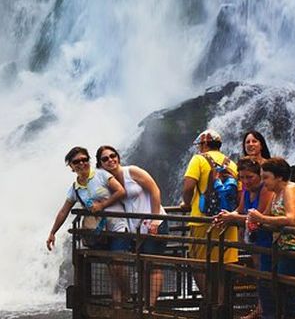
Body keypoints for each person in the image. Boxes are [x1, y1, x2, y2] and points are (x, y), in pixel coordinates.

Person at [46, 146, 130, 303]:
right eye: (76, 161)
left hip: (118, 226)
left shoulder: (101, 175)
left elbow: (120, 191)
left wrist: (102, 206)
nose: (81, 163)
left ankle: (127, 297)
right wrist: (52, 232)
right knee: (111, 268)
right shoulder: (75, 189)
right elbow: (64, 211)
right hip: (100, 232)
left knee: (118, 264)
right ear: (71, 166)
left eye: (84, 159)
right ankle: (118, 304)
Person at [247, 158, 295, 319]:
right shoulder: (276, 192)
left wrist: (261, 219)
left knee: (292, 294)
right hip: (283, 247)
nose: (263, 182)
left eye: (266, 177)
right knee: (285, 293)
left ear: (279, 177)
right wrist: (252, 219)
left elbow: (291, 218)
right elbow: (265, 216)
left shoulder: (290, 189)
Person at [96, 145, 167, 308]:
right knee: (142, 266)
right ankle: (143, 305)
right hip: (137, 229)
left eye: (113, 156)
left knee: (153, 266)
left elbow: (155, 190)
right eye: (105, 159)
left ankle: (150, 307)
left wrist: (154, 219)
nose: (110, 160)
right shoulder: (108, 183)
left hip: (156, 223)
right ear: (100, 164)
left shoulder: (132, 172)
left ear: (118, 157)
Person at [181, 129, 239, 295]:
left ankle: (209, 299)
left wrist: (186, 203)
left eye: (200, 145)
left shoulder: (198, 159)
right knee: (223, 265)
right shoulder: (232, 164)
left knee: (197, 262)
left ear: (204, 144)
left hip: (202, 221)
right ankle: (222, 303)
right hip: (226, 221)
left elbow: (189, 186)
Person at [216, 157, 273, 319]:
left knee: (266, 276)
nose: (245, 181)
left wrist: (232, 219)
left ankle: (271, 314)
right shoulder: (248, 190)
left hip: (268, 240)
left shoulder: (265, 189)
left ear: (259, 176)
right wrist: (227, 215)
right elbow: (240, 210)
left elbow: (260, 217)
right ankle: (261, 308)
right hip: (255, 239)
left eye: (249, 177)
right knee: (258, 273)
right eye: (242, 177)